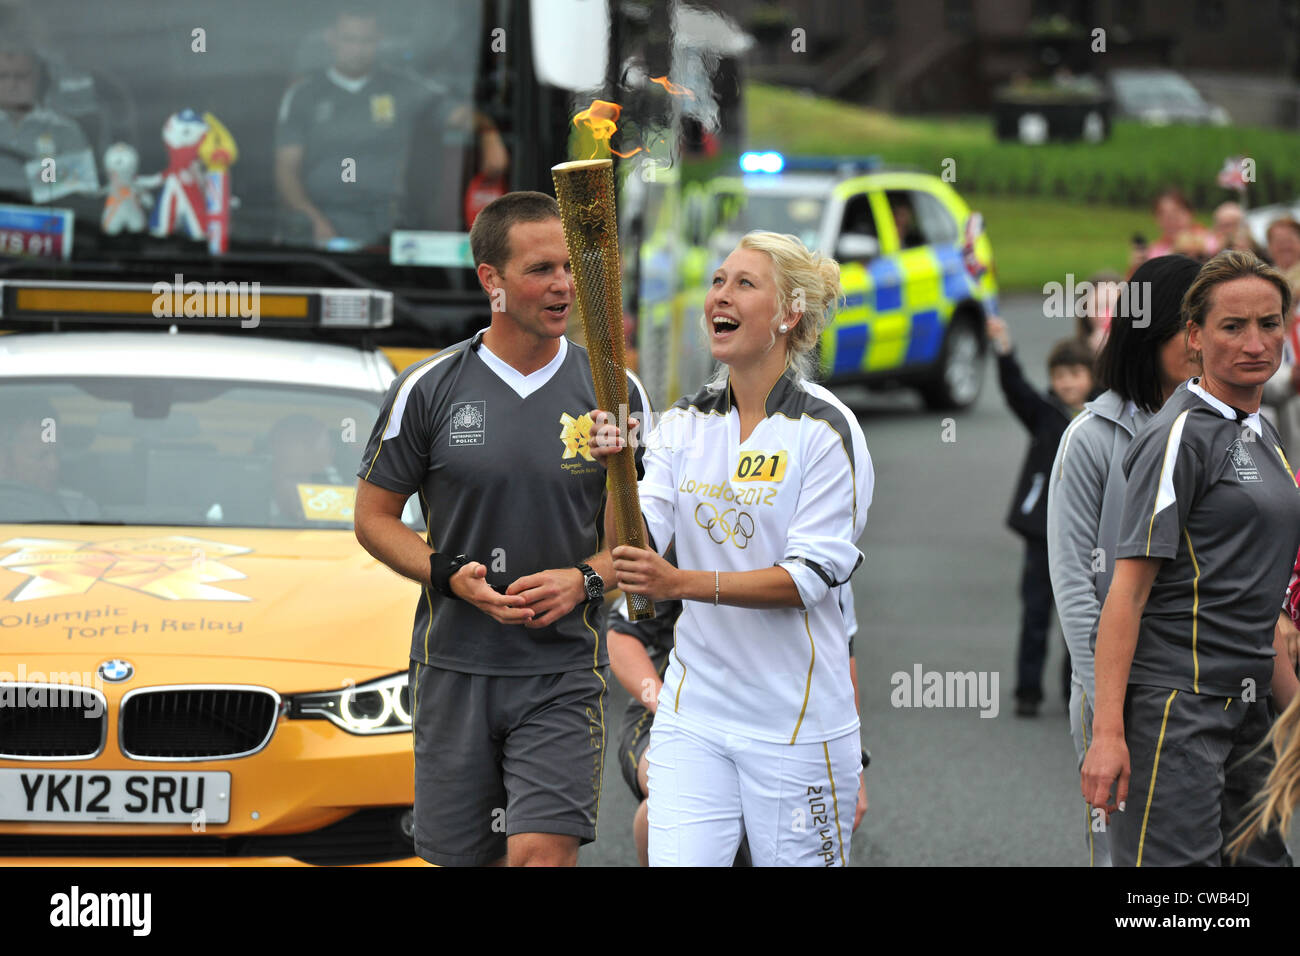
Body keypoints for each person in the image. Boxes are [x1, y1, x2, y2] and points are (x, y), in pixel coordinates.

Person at [352, 190, 651, 867]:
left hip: (563, 672)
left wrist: (584, 580)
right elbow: (372, 518)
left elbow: (634, 545)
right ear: (491, 279)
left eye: (570, 268)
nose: (564, 285)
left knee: (540, 855)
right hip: (455, 667)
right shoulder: (427, 388)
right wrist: (444, 572)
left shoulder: (616, 394)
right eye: (541, 270)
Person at [590, 230, 872, 866]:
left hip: (796, 725)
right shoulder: (683, 425)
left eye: (745, 283)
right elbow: (630, 554)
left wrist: (681, 583)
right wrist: (616, 471)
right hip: (696, 711)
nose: (721, 294)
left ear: (789, 313)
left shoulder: (826, 432)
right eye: (718, 281)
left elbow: (806, 579)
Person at [1081, 250, 1300, 866]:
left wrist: (1293, 713)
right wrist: (1106, 735)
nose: (1255, 342)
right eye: (1233, 327)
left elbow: (1260, 607)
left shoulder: (1262, 431)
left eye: (1270, 322)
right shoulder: (1178, 434)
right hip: (1176, 709)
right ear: (1196, 336)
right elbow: (1125, 594)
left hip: (1248, 705)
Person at [1046, 254, 1203, 867]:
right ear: (1151, 331)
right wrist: (1104, 710)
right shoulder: (1091, 437)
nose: (1204, 340)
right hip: (1125, 692)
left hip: (1212, 687)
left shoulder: (1227, 425)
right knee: (1128, 860)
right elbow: (1076, 585)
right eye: (1192, 323)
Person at [608, 581, 868, 867]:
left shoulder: (823, 558)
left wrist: (855, 765)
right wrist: (666, 703)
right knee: (667, 796)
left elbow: (841, 659)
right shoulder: (694, 547)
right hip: (672, 710)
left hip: (779, 722)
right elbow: (620, 637)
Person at [275, 7, 507, 246]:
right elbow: (285, 171)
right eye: (349, 39)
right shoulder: (304, 94)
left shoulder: (403, 87)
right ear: (331, 38)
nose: (357, 49)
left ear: (379, 40)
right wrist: (312, 220)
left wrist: (488, 132)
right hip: (318, 226)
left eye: (366, 40)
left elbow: (460, 115)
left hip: (386, 227)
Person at [987, 317, 1094, 716]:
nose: (1066, 383)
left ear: (1092, 377)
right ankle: (1027, 692)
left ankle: (1075, 691)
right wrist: (1003, 347)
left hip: (1085, 537)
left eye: (1075, 375)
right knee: (1035, 612)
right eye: (1059, 376)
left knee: (1078, 619)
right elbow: (1015, 389)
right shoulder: (1044, 413)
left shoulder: (1101, 418)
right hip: (1042, 534)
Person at [0, 43, 90, 199]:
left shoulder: (65, 130)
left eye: (21, 76)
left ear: (38, 80)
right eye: (3, 76)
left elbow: (81, 191)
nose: (11, 85)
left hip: (44, 218)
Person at [1129, 188, 1218, 275]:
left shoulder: (1210, 241)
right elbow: (1136, 289)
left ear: (1190, 212)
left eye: (1176, 212)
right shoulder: (1153, 253)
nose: (1171, 220)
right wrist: (1137, 270)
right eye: (1163, 214)